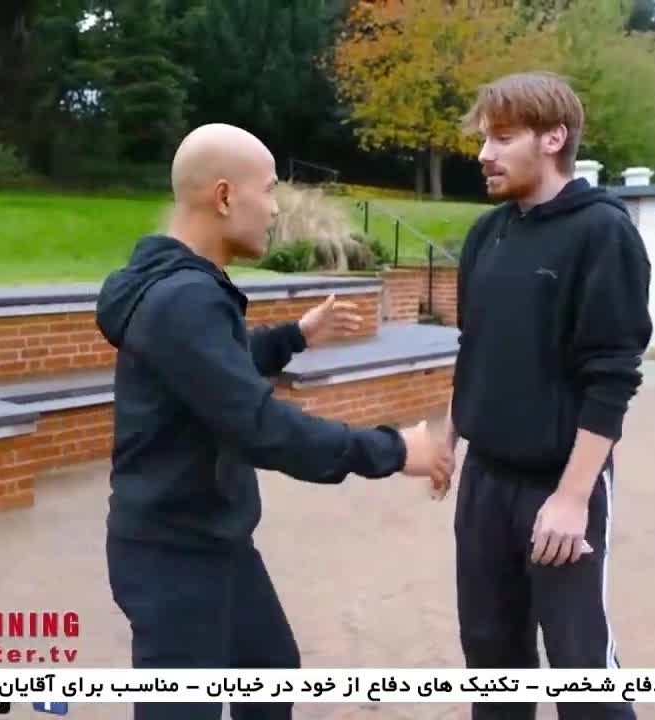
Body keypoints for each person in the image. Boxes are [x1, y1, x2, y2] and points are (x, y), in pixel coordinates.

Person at [95, 122, 449, 720]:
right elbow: (260, 426)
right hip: (173, 556)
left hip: (215, 541)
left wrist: (293, 336)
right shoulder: (184, 299)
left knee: (270, 675)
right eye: (268, 190)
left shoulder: (177, 287)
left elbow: (210, 371)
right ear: (224, 196)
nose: (277, 208)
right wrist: (392, 450)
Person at [430, 72, 653, 720]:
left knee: (581, 669)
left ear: (553, 138)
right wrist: (450, 435)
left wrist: (573, 498)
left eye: (502, 138)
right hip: (484, 483)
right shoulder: (486, 234)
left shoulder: (603, 233)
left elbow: (612, 376)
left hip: (559, 486)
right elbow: (474, 344)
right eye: (483, 139)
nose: (484, 154)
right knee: (491, 658)